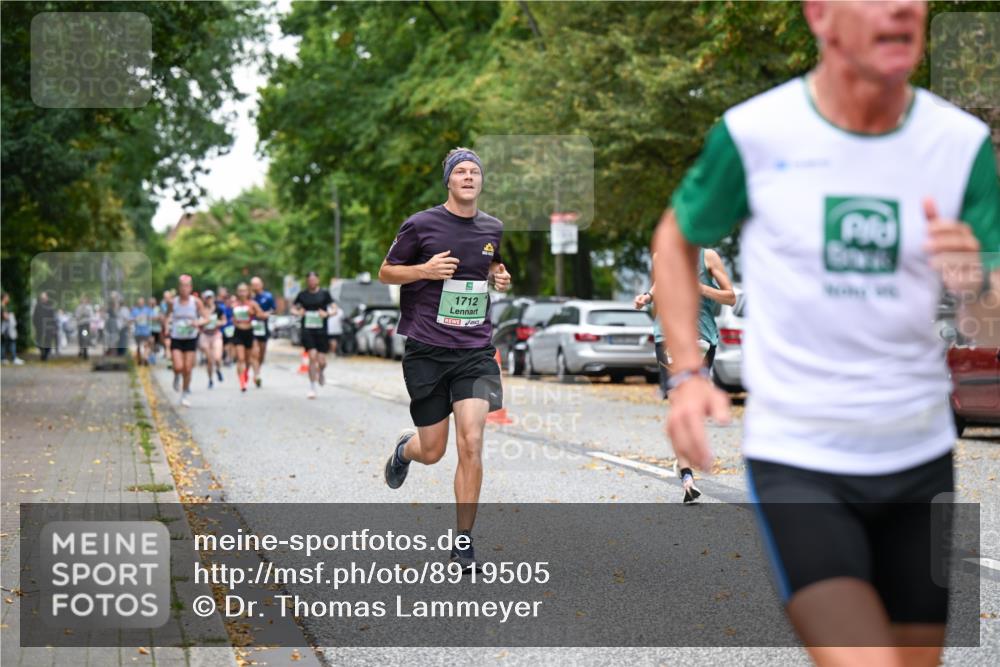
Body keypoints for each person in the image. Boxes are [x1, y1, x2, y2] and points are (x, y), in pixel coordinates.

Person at [652, 1, 1000, 663]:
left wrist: (973, 283)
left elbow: (990, 321)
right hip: (801, 457)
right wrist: (689, 375)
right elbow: (676, 237)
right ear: (819, 15)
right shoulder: (756, 133)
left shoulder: (960, 146)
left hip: (918, 459)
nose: (902, 6)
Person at [379, 147, 511, 572]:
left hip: (474, 351)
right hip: (427, 351)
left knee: (471, 442)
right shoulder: (421, 225)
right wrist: (423, 270)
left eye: (475, 171)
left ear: (481, 181)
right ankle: (405, 450)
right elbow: (386, 271)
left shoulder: (493, 227)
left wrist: (500, 277)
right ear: (449, 182)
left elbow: (492, 265)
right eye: (461, 172)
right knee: (433, 451)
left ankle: (464, 542)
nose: (469, 177)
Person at [635, 248, 734, 502]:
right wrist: (648, 296)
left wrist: (702, 289)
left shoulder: (708, 257)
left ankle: (685, 458)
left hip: (702, 338)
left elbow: (731, 297)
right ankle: (687, 476)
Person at [164, 275, 206, 407]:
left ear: (191, 287)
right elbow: (167, 316)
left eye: (187, 285)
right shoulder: (173, 302)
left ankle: (184, 393)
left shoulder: (196, 302)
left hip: (191, 337)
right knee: (178, 366)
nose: (184, 288)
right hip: (176, 337)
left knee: (187, 368)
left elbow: (207, 318)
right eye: (182, 286)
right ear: (179, 288)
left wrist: (198, 322)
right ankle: (176, 376)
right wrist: (166, 326)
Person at [291, 271, 335, 399]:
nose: (311, 282)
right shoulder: (302, 295)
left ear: (318, 280)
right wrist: (298, 312)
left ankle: (321, 371)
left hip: (321, 331)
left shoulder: (325, 294)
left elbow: (335, 309)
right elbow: (293, 308)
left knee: (321, 361)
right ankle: (312, 387)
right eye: (309, 280)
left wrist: (327, 314)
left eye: (314, 280)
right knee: (312, 356)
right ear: (307, 282)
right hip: (307, 330)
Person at [231, 283, 265, 392]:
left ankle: (256, 376)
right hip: (238, 332)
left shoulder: (252, 304)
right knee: (240, 358)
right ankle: (242, 383)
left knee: (251, 358)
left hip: (249, 332)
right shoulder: (234, 304)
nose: (242, 293)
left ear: (248, 292)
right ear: (237, 292)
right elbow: (229, 317)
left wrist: (253, 313)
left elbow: (261, 315)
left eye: (244, 291)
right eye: (240, 291)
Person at [250, 276, 275, 388]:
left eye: (257, 284)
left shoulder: (268, 296)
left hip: (263, 326)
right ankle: (256, 374)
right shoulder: (249, 297)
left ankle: (258, 369)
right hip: (251, 326)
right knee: (254, 352)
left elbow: (273, 309)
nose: (255, 286)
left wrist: (267, 314)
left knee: (262, 352)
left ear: (261, 284)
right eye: (253, 284)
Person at [198, 290, 226, 389]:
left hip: (216, 335)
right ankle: (210, 379)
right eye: (207, 298)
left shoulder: (218, 309)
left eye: (210, 297)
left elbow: (224, 321)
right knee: (209, 360)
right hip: (205, 335)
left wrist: (219, 323)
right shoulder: (201, 310)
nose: (209, 299)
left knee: (217, 358)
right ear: (204, 299)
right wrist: (203, 322)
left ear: (213, 298)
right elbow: (197, 322)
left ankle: (218, 369)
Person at [32, 291, 57, 361]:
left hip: (48, 328)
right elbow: (34, 317)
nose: (43, 299)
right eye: (42, 297)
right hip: (40, 327)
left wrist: (53, 327)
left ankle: (45, 354)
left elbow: (53, 317)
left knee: (48, 342)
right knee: (38, 342)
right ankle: (42, 352)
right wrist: (36, 325)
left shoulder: (50, 306)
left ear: (47, 298)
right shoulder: (38, 306)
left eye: (44, 297)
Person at [1, 292, 24, 365]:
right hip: (4, 328)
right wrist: (10, 315)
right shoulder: (2, 306)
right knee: (11, 341)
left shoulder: (3, 306)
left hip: (4, 328)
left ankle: (3, 358)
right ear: (4, 298)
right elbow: (5, 316)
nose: (9, 299)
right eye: (8, 297)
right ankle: (13, 358)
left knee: (3, 343)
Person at [131, 297, 154, 366]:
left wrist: (147, 317)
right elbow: (130, 319)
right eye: (139, 302)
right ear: (137, 303)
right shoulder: (134, 310)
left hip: (146, 331)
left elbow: (153, 317)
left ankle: (145, 358)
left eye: (141, 302)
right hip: (137, 332)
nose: (140, 304)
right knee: (138, 346)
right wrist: (135, 319)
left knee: (146, 345)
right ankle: (139, 360)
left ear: (144, 303)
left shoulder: (147, 310)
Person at [75, 294, 94, 360]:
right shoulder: (79, 307)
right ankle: (81, 350)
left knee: (85, 337)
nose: (84, 301)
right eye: (83, 300)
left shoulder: (89, 307)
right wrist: (81, 315)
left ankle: (85, 351)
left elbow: (91, 316)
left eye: (85, 300)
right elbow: (77, 316)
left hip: (86, 325)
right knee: (80, 338)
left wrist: (86, 315)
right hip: (80, 325)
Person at [148, 296, 162, 364]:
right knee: (151, 342)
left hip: (157, 329)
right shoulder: (147, 309)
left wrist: (152, 318)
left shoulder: (158, 309)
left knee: (155, 344)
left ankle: (153, 356)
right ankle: (151, 356)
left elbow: (160, 317)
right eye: (151, 302)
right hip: (149, 329)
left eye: (153, 302)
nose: (152, 303)